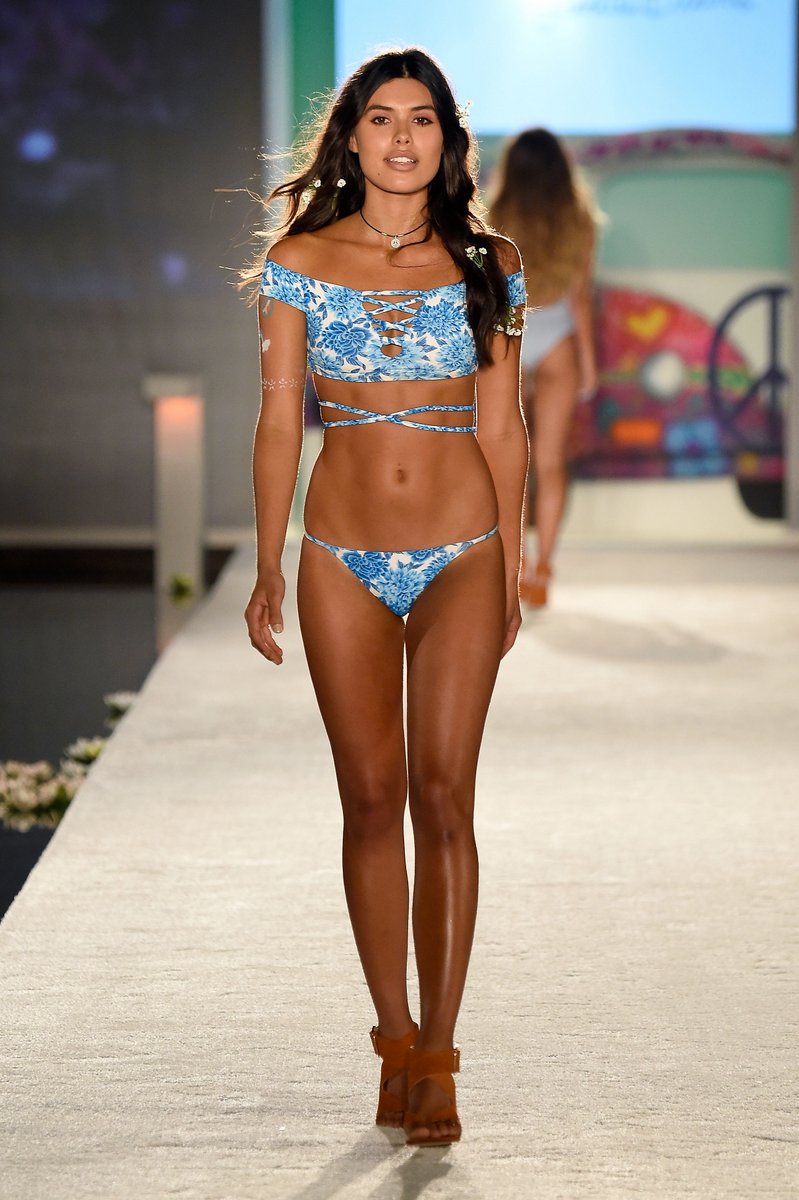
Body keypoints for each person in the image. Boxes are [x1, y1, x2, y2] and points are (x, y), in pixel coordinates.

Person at [242, 48, 528, 1147]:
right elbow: (279, 424)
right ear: (350, 138)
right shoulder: (299, 262)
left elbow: (504, 428)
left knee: (443, 794)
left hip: (462, 547)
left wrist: (512, 559)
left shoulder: (489, 264)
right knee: (369, 799)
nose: (401, 138)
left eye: (422, 120)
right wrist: (270, 561)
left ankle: (443, 1059)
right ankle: (394, 1038)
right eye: (379, 119)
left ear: (447, 142)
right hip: (340, 559)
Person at [489, 128, 597, 608]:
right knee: (550, 462)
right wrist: (589, 364)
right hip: (557, 339)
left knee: (509, 460)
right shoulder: (579, 219)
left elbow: (490, 292)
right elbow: (581, 298)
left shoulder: (495, 215)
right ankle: (543, 566)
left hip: (510, 332)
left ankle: (514, 566)